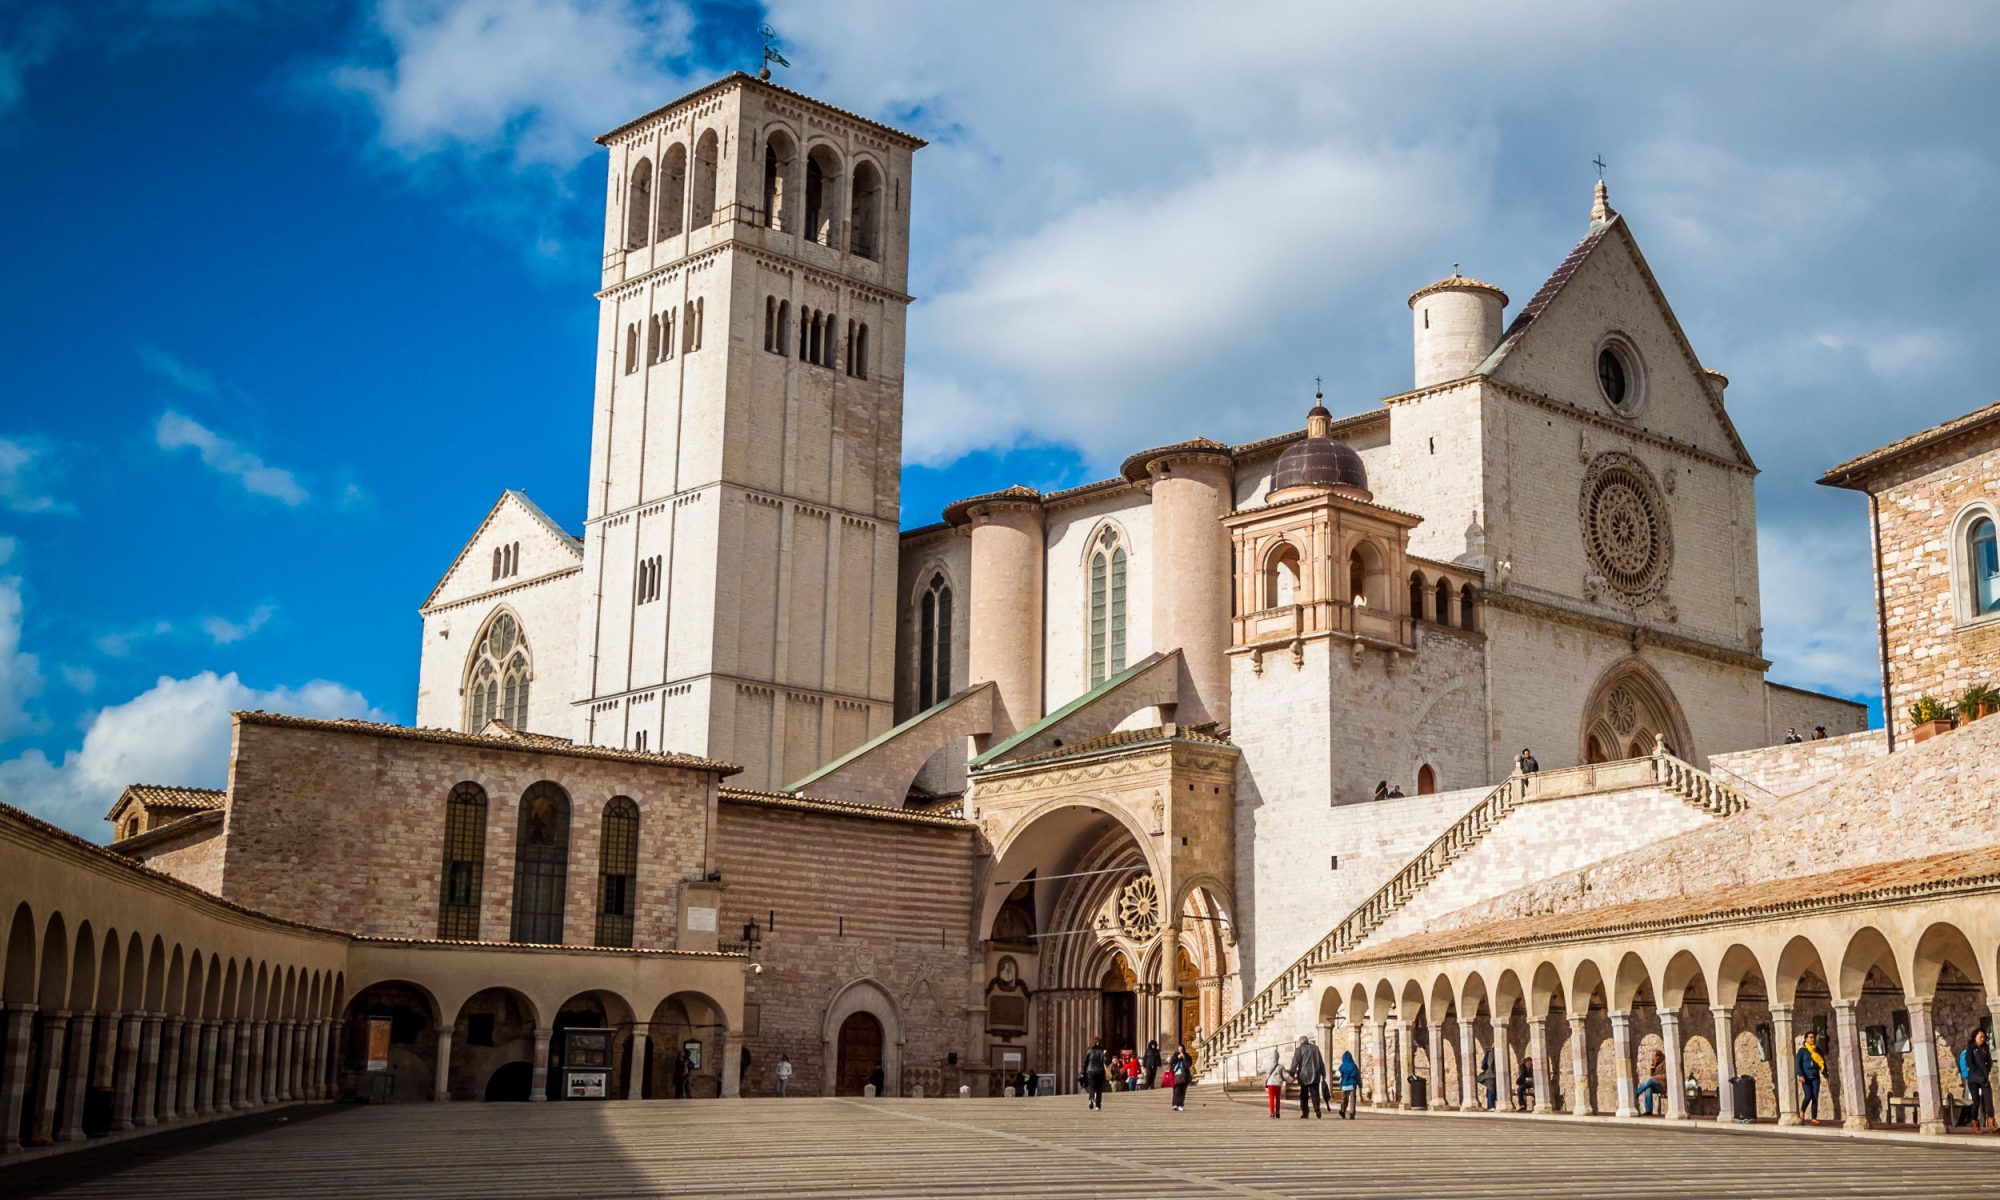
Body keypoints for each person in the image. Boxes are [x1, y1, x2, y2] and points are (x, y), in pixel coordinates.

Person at [1289, 1034, 1326, 1119]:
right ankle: (1317, 1110)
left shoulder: (1299, 1050)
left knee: (1304, 1095)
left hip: (1303, 1075)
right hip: (1315, 1074)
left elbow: (1295, 1063)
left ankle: (1305, 1113)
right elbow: (1321, 1062)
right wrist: (1323, 1073)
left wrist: (1291, 1073)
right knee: (1315, 1093)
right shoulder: (1315, 1048)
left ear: (1300, 1042)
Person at [1965, 1028, 1995, 1134]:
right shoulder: (1971, 1048)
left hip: (1983, 1078)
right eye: (1980, 1037)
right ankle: (1974, 1123)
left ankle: (1991, 1123)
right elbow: (1970, 1064)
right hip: (1973, 1079)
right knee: (1976, 1102)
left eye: (1984, 1037)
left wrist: (1986, 1072)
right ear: (1975, 1037)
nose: (1982, 1039)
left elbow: (1989, 1062)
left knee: (1989, 1100)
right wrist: (1980, 1075)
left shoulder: (1985, 1047)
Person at [1795, 1032, 1826, 1125]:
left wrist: (1826, 1075)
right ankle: (1802, 1110)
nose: (1812, 1039)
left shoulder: (1818, 1050)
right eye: (1810, 1037)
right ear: (1806, 1039)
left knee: (1815, 1097)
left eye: (1813, 1038)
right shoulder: (1802, 1051)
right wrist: (1800, 1075)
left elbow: (1822, 1063)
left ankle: (1814, 1118)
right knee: (1808, 1096)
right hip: (1806, 1077)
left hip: (1815, 1076)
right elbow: (1798, 1064)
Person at [1634, 1049, 1667, 1116]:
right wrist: (1652, 1070)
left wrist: (1654, 1077)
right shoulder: (1655, 1063)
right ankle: (1648, 1110)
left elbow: (1666, 1076)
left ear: (1658, 1056)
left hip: (1663, 1086)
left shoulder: (1665, 1063)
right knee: (1648, 1088)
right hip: (1656, 1085)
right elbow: (1652, 1076)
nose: (1653, 1058)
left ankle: (1636, 1093)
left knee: (1650, 1080)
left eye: (1654, 1056)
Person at [1081, 1037, 1109, 1110]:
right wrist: (1105, 1054)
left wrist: (1082, 1073)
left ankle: (1092, 1098)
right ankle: (1098, 1105)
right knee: (1099, 1088)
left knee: (1091, 1086)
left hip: (1090, 1072)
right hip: (1100, 1072)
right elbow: (1106, 1062)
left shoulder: (1089, 1051)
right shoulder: (1102, 1051)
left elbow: (1085, 1063)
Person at [1167, 1044, 1193, 1112]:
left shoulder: (1187, 1056)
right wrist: (1177, 1058)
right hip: (1176, 1076)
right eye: (1179, 1049)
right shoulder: (1175, 1055)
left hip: (1185, 1076)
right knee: (1176, 1091)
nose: (1180, 1051)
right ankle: (1175, 1104)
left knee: (1183, 1092)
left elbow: (1188, 1065)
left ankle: (1180, 1105)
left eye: (1181, 1049)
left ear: (1183, 1049)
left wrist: (1184, 1058)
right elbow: (1171, 1063)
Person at [1337, 1050, 1361, 1119]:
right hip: (1352, 1084)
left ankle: (1343, 1110)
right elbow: (1357, 1076)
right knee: (1352, 1099)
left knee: (1344, 1099)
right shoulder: (1354, 1066)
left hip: (1344, 1084)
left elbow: (1339, 1074)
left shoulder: (1342, 1066)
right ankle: (1352, 1113)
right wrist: (1360, 1084)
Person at [1264, 1052, 1287, 1119]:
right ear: (1278, 1057)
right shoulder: (1280, 1066)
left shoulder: (1267, 1065)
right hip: (1278, 1084)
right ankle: (1277, 1113)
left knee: (1271, 1099)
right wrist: (1292, 1079)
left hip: (1270, 1084)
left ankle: (1271, 1113)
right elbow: (1285, 1075)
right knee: (1278, 1099)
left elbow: (1260, 1070)